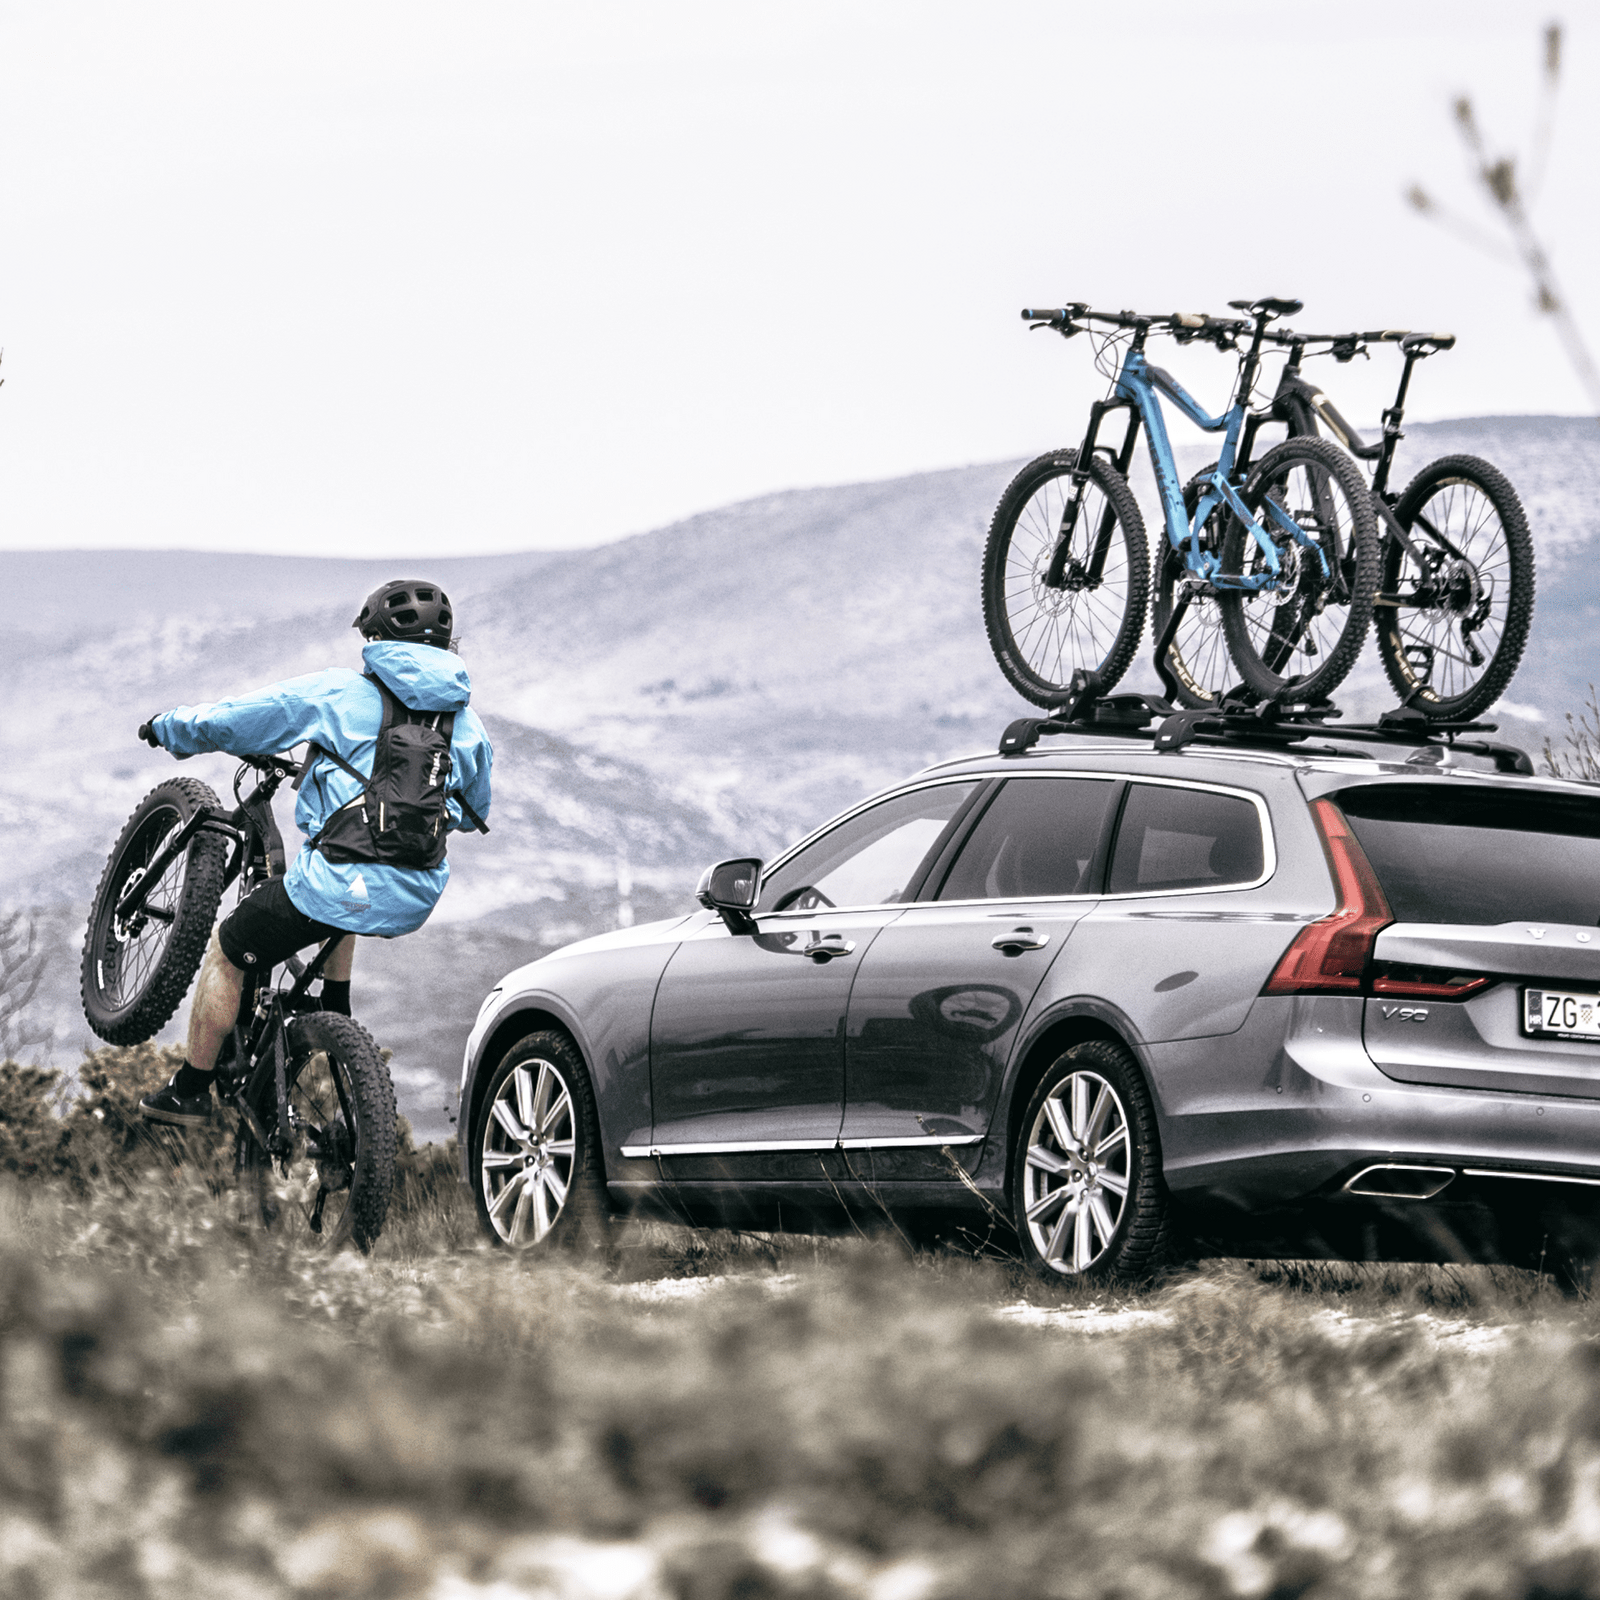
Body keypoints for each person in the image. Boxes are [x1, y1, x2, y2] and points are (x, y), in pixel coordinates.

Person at [136, 578, 493, 1125]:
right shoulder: (467, 727)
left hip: (336, 884)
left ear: (375, 639)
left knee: (228, 951)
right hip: (416, 897)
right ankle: (335, 1001)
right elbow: (469, 814)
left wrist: (171, 729)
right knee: (352, 871)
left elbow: (236, 720)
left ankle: (188, 1091)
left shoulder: (340, 693)